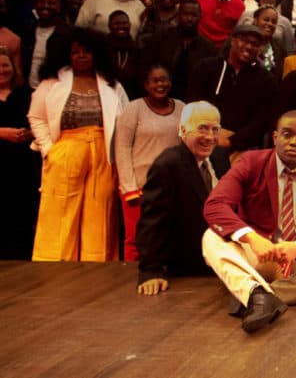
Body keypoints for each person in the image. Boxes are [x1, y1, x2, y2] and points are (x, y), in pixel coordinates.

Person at [202, 111, 296, 333]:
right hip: (256, 253)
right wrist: (252, 238)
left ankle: (252, 293)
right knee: (211, 237)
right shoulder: (250, 162)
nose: (294, 142)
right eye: (287, 135)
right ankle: (258, 295)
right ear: (275, 137)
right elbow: (215, 205)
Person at [29, 27, 129, 261]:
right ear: (67, 55)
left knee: (99, 211)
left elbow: (124, 119)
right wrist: (48, 150)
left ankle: (98, 269)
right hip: (65, 149)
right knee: (61, 211)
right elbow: (36, 117)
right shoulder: (52, 82)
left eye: (86, 52)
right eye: (75, 52)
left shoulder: (111, 84)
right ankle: (54, 267)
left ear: (97, 55)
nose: (81, 56)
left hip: (103, 152)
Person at [135, 101, 230, 295]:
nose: (210, 137)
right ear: (183, 130)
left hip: (219, 263)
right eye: (202, 128)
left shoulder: (219, 156)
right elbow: (152, 222)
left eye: (215, 129)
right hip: (186, 268)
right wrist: (150, 270)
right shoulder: (168, 164)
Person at [114, 65, 184, 261]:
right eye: (154, 80)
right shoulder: (133, 109)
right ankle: (129, 281)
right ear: (146, 85)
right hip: (139, 186)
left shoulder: (182, 108)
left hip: (170, 186)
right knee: (136, 239)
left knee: (167, 237)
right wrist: (129, 187)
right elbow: (122, 148)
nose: (160, 84)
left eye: (164, 79)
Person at [188, 24, 276, 159]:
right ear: (233, 40)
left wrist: (232, 141)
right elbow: (193, 104)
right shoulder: (206, 67)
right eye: (244, 40)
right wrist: (209, 134)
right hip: (203, 139)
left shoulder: (266, 79)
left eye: (254, 44)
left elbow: (261, 120)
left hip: (242, 148)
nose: (249, 47)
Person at [0, 46, 40, 259]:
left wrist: (31, 133)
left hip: (23, 163)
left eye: (5, 65)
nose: (2, 70)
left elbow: (43, 121)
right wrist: (2, 133)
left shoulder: (28, 94)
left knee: (23, 212)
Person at [140, 0, 215, 100]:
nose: (189, 19)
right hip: (159, 97)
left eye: (194, 15)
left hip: (191, 102)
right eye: (186, 14)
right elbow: (146, 68)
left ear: (200, 16)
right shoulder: (161, 38)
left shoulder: (208, 48)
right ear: (178, 15)